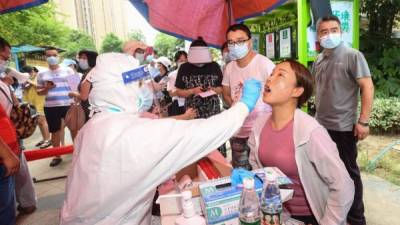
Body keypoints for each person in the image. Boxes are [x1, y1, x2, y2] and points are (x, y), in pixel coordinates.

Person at [60, 52, 262, 225]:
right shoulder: (130, 133)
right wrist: (244, 104)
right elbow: (205, 132)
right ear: (122, 89)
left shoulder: (95, 126)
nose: (145, 89)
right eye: (139, 84)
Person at [249, 60, 354, 225]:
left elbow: (344, 186)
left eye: (280, 75)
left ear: (297, 91)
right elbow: (256, 167)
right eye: (271, 74)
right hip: (274, 214)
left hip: (309, 218)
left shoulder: (310, 132)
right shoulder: (259, 124)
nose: (269, 79)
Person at [312, 15, 374, 225]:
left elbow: (367, 86)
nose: (330, 34)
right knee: (326, 174)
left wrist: (363, 121)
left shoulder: (352, 55)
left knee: (348, 174)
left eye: (334, 29)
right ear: (318, 36)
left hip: (343, 127)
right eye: (324, 31)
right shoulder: (319, 59)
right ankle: (334, 213)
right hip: (320, 126)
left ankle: (356, 219)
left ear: (341, 31)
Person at [222, 24, 275, 169]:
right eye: (231, 42)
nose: (235, 45)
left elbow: (277, 95)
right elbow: (226, 93)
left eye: (240, 41)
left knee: (264, 172)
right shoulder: (229, 67)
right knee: (242, 175)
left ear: (250, 42)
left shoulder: (264, 64)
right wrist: (238, 108)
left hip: (262, 131)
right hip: (238, 131)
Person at [175, 37, 226, 156]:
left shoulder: (214, 66)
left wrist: (212, 90)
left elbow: (222, 89)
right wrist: (192, 91)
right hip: (192, 113)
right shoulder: (184, 68)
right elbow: (178, 92)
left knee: (214, 142)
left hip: (213, 112)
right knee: (195, 145)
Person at [37, 47, 75, 167]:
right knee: (55, 131)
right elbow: (39, 92)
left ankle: (78, 152)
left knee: (74, 129)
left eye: (54, 55)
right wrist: (47, 88)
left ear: (58, 56)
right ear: (45, 57)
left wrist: (76, 102)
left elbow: (76, 86)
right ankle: (56, 155)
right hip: (51, 106)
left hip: (69, 104)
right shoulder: (41, 73)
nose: (51, 57)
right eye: (48, 55)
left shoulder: (68, 70)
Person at [0, 36, 20, 225]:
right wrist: (6, 154)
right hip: (3, 154)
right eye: (4, 57)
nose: (5, 62)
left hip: (7, 149)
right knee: (4, 207)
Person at [22, 66, 52, 149]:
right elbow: (26, 90)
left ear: (32, 71)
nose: (29, 75)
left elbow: (41, 86)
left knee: (42, 121)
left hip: (40, 103)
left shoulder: (39, 76)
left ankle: (48, 140)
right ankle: (44, 139)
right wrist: (26, 86)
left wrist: (29, 81)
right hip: (32, 103)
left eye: (30, 73)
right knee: (38, 122)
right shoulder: (29, 79)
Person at [167, 50, 187, 116]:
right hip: (178, 105)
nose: (184, 63)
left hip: (190, 103)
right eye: (181, 61)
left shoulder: (191, 74)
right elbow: (171, 94)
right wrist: (182, 91)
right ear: (176, 62)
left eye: (185, 61)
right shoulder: (172, 75)